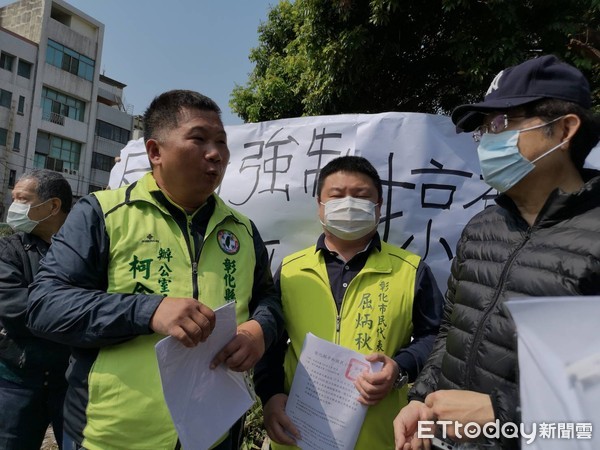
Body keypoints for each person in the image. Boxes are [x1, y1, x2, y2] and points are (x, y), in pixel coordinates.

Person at [26, 90, 283, 450]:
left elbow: (268, 299)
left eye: (222, 142)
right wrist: (149, 311)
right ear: (155, 152)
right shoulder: (101, 213)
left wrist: (260, 330)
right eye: (199, 139)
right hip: (112, 436)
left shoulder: (241, 229)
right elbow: (45, 306)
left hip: (214, 433)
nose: (216, 153)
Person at [393, 54, 600, 450]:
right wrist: (420, 401)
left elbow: (589, 422)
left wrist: (503, 416)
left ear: (564, 130)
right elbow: (450, 331)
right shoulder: (482, 228)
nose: (488, 140)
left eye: (501, 123)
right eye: (485, 130)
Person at [254, 155, 445, 449]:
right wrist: (270, 395)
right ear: (320, 205)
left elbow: (436, 335)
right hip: (298, 435)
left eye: (361, 196)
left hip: (380, 437)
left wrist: (400, 367)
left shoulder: (411, 269)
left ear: (379, 207)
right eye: (337, 195)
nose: (349, 203)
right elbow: (271, 342)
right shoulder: (291, 270)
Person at [0, 169, 72, 450]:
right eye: (13, 198)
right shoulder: (9, 249)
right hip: (17, 380)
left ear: (53, 206)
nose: (14, 207)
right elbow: (16, 311)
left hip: (70, 382)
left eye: (22, 199)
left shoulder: (85, 249)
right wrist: (79, 316)